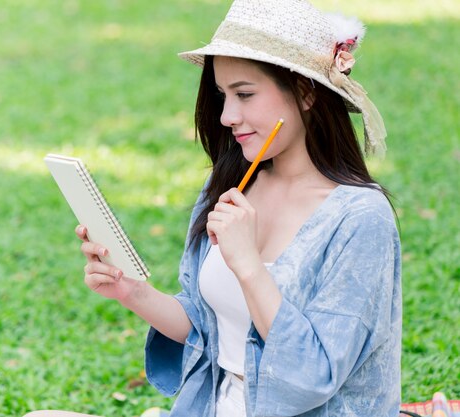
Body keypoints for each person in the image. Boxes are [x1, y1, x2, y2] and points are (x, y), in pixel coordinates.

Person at [25, 0, 401, 416]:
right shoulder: (228, 187)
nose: (226, 115)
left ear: (305, 92)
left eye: (245, 94)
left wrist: (248, 265)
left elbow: (312, 378)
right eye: (223, 95)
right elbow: (208, 329)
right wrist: (131, 291)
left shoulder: (360, 218)